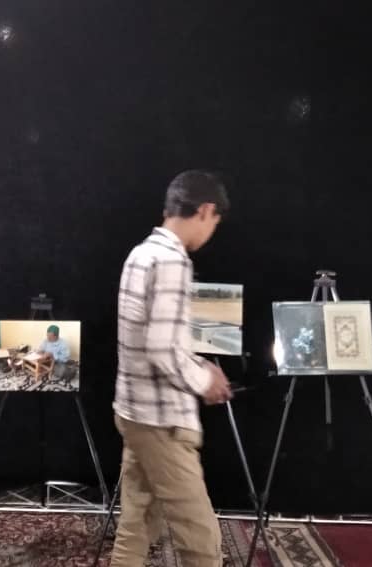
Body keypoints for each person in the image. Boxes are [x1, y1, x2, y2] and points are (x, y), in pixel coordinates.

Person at [111, 169, 233, 567]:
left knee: (136, 526)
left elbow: (154, 341)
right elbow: (163, 348)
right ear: (206, 210)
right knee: (201, 540)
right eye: (214, 223)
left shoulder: (140, 254)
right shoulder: (172, 261)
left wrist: (198, 364)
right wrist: (205, 380)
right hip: (161, 421)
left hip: (134, 411)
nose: (211, 232)